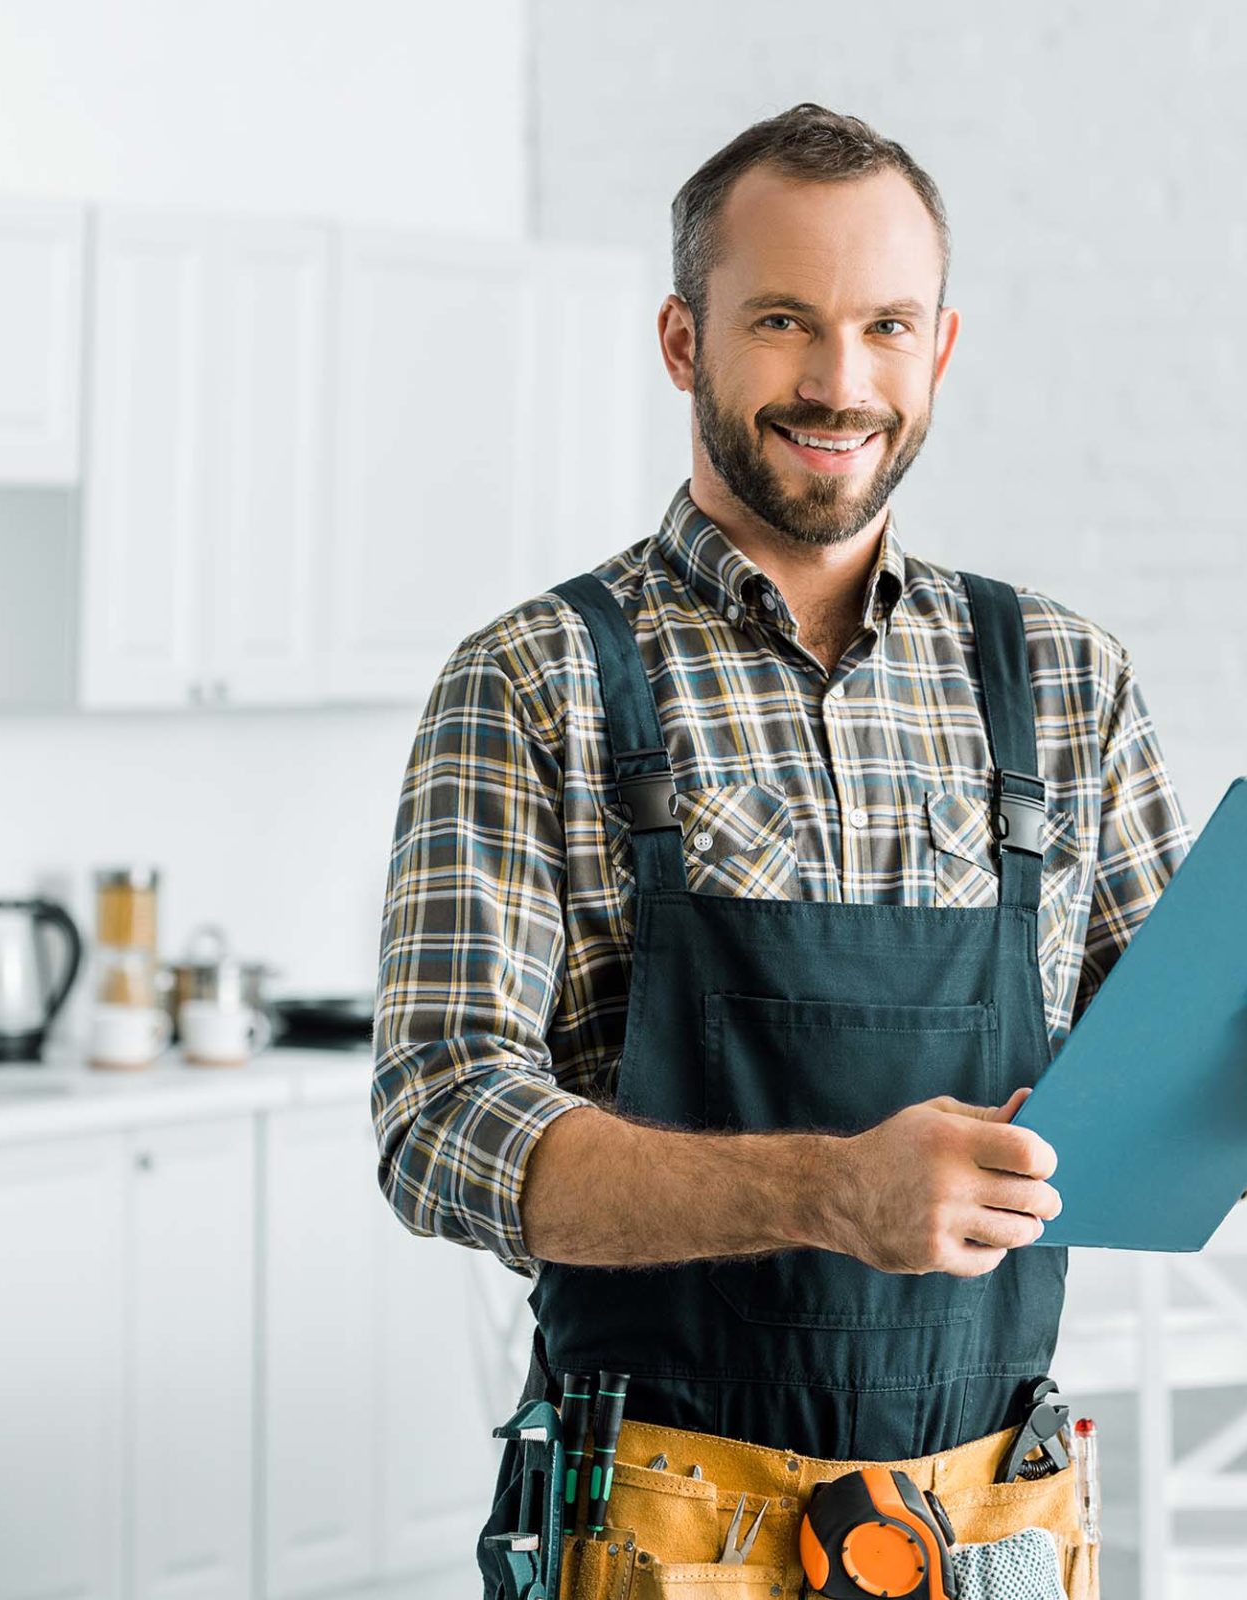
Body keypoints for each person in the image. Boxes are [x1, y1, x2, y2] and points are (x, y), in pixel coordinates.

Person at [372, 102, 1190, 1600]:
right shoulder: (538, 679)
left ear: (940, 348)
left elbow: (1179, 1067)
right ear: (684, 341)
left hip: (992, 1520)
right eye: (783, 322)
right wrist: (827, 1192)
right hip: (658, 1526)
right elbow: (437, 1124)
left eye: (887, 325)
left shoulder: (1068, 680)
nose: (840, 381)